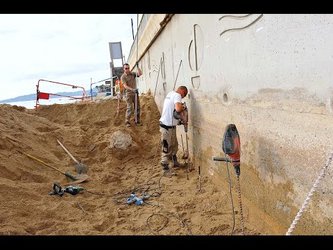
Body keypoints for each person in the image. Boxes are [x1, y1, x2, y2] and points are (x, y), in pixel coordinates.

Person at [159, 86, 188, 173]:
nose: (183, 97)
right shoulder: (177, 95)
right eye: (184, 95)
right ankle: (165, 168)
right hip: (167, 126)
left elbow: (172, 112)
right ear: (182, 91)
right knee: (167, 147)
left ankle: (175, 163)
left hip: (169, 125)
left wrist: (178, 122)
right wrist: (183, 107)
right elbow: (178, 109)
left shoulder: (170, 94)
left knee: (174, 145)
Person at [121, 63, 142, 127]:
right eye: (126, 68)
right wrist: (132, 89)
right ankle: (127, 121)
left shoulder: (132, 74)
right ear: (123, 69)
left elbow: (140, 74)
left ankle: (137, 121)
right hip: (129, 94)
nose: (127, 70)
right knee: (130, 108)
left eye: (128, 68)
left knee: (137, 107)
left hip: (135, 93)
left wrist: (138, 67)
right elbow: (125, 86)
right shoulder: (123, 77)